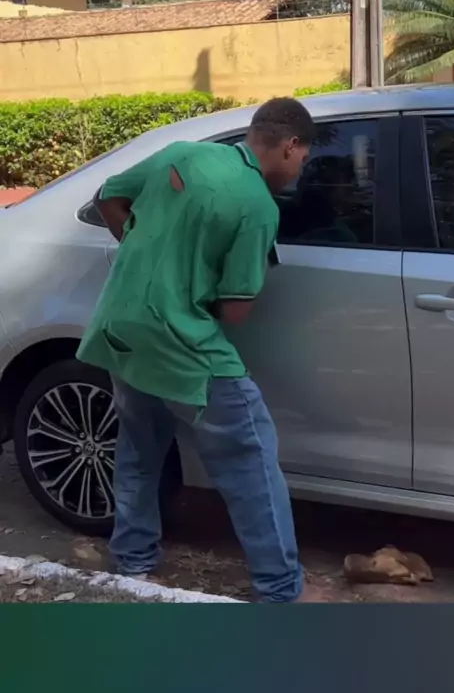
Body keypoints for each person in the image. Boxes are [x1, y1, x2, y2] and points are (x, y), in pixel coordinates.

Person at [77, 96, 325, 603]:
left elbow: (107, 198)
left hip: (122, 329)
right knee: (251, 462)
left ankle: (133, 561)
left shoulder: (182, 154)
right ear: (289, 145)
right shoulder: (258, 207)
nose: (301, 167)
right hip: (182, 345)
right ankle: (280, 590)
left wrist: (147, 253)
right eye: (303, 156)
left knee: (140, 450)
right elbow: (234, 310)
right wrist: (191, 287)